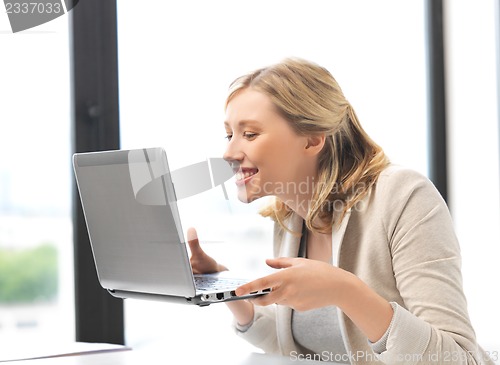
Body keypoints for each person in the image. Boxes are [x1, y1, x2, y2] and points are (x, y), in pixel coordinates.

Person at [187, 58, 492, 364]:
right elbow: (305, 351)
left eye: (250, 134)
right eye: (229, 135)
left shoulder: (404, 196)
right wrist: (226, 287)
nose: (228, 152)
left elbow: (459, 359)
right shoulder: (291, 217)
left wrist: (344, 290)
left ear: (313, 139)